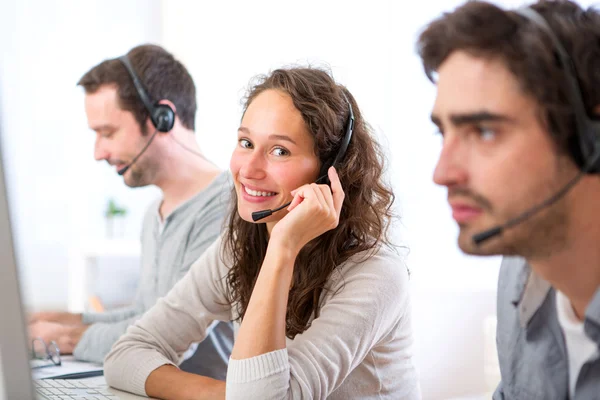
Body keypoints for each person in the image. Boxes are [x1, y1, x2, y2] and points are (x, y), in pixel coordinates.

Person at [102, 66, 420, 399]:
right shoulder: (240, 245)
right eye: (246, 142)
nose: (248, 170)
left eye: (279, 151)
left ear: (330, 172)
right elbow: (126, 355)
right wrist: (225, 395)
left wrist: (283, 248)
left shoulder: (376, 274)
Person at [418, 0, 600, 398]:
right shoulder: (522, 267)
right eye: (443, 133)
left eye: (483, 132)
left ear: (591, 140)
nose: (442, 173)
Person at [28, 44, 234, 380]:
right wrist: (60, 320)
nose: (99, 152)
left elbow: (169, 339)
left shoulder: (226, 209)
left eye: (107, 133)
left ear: (161, 118)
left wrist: (63, 338)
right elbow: (146, 313)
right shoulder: (155, 212)